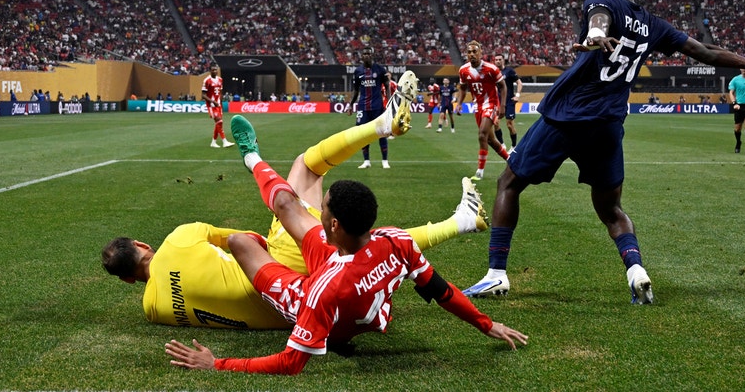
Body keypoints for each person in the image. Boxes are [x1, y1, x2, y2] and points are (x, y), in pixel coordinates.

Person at [462, 0, 745, 303]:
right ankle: (636, 271)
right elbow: (705, 52)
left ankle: (496, 275)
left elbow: (599, 20)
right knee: (611, 209)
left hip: (568, 116)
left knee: (509, 183)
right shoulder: (654, 24)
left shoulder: (602, 3)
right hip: (608, 125)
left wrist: (597, 35)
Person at [164, 75, 528, 375]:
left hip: (312, 293)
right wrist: (487, 324)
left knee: (242, 243)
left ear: (334, 224)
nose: (317, 209)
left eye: (322, 208)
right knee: (288, 203)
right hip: (342, 267)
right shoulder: (395, 242)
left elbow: (290, 363)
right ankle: (253, 158)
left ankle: (255, 166)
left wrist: (217, 363)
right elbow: (441, 291)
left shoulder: (322, 291)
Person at [102, 72, 488, 330]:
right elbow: (244, 240)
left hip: (295, 310)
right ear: (142, 244)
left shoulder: (153, 310)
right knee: (308, 169)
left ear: (127, 279)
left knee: (354, 240)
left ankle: (463, 220)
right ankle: (383, 127)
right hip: (281, 274)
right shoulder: (178, 239)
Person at [456, 40, 509, 180]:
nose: (472, 54)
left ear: (480, 53)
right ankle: (511, 160)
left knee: (481, 135)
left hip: (491, 104)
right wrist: (459, 103)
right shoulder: (463, 70)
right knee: (490, 139)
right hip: (478, 106)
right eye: (469, 52)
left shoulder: (491, 69)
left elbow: (503, 86)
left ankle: (480, 171)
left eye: (475, 51)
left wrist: (502, 106)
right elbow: (463, 88)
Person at [347, 47, 392, 169]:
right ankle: (366, 161)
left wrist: (389, 103)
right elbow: (356, 90)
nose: (366, 55)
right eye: (364, 54)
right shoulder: (358, 71)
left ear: (372, 55)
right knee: (362, 134)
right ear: (362, 56)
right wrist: (350, 105)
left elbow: (387, 86)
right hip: (363, 107)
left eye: (368, 53)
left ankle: (385, 161)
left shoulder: (380, 69)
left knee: (382, 133)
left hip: (377, 107)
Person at [493, 53, 522, 149]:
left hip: (509, 101)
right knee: (496, 123)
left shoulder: (509, 71)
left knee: (509, 125)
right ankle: (502, 144)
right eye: (496, 60)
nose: (498, 61)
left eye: (499, 59)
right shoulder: (493, 72)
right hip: (498, 102)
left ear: (503, 60)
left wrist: (517, 95)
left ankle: (514, 146)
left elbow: (519, 83)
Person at [202, 65, 234, 149]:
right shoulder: (207, 80)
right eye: (213, 70)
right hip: (211, 105)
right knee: (219, 121)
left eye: (216, 70)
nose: (215, 71)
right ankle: (225, 142)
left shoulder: (220, 79)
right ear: (210, 71)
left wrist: (220, 102)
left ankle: (213, 142)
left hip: (218, 104)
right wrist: (212, 101)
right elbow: (203, 95)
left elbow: (220, 92)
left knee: (219, 123)